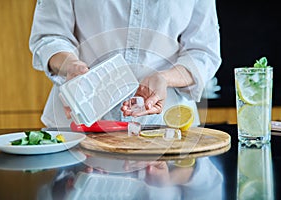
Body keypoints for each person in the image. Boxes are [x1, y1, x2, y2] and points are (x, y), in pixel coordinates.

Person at [29, 0, 221, 128]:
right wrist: (71, 65)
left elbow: (203, 51)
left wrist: (165, 78)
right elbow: (50, 36)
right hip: (77, 126)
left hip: (164, 126)